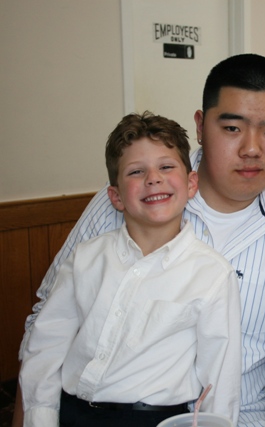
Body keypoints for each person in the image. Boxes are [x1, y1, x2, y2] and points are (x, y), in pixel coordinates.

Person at [15, 54, 265, 427]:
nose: (252, 148)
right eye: (232, 128)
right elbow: (45, 327)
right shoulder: (134, 198)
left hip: (241, 415)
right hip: (96, 408)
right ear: (201, 125)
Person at [19, 112, 242, 427]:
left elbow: (220, 378)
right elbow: (47, 345)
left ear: (191, 184)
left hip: (152, 419)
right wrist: (40, 418)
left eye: (166, 167)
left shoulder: (212, 274)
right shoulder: (85, 259)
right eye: (136, 171)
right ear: (116, 196)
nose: (153, 178)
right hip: (73, 413)